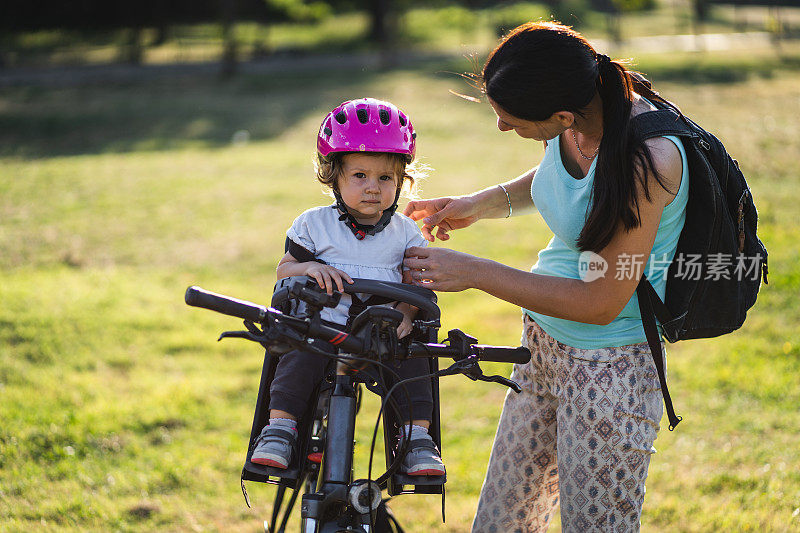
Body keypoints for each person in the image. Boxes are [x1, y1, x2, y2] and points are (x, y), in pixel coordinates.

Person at [403, 22, 689, 532]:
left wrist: (474, 272)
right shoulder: (581, 113)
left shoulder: (651, 160)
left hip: (610, 369)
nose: (502, 129)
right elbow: (562, 177)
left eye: (511, 120)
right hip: (541, 346)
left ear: (560, 115)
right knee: (502, 523)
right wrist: (479, 204)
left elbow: (599, 302)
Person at [250, 98, 445, 477]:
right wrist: (308, 267)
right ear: (333, 175)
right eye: (360, 176)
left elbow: (415, 283)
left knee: (414, 361)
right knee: (298, 353)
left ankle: (416, 438)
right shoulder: (314, 224)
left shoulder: (406, 232)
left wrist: (406, 313)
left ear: (402, 180)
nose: (372, 188)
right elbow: (284, 269)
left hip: (385, 333)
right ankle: (281, 429)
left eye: (385, 178)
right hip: (323, 326)